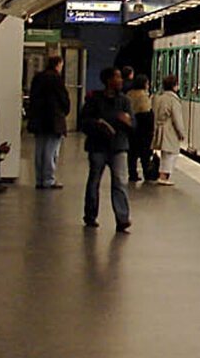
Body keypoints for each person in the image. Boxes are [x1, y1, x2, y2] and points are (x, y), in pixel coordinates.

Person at [79, 67, 133, 231]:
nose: (121, 80)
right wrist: (98, 124)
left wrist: (128, 122)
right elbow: (84, 122)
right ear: (108, 81)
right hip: (98, 145)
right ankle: (90, 215)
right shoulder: (94, 100)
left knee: (120, 182)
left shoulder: (125, 101)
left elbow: (133, 124)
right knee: (94, 180)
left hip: (119, 146)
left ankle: (122, 218)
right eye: (117, 77)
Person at [26, 53, 70, 188]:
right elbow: (63, 99)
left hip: (38, 119)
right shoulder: (56, 79)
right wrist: (65, 111)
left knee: (39, 150)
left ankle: (39, 179)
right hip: (54, 119)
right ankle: (48, 179)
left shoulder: (38, 78)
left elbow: (32, 97)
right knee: (51, 151)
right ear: (58, 64)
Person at [152, 74, 186, 185]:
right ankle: (163, 177)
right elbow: (177, 118)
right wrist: (181, 132)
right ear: (174, 86)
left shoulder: (159, 98)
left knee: (165, 154)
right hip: (169, 130)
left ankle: (163, 175)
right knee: (170, 153)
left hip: (160, 128)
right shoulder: (173, 100)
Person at [126, 75, 155, 183]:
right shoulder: (143, 96)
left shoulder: (129, 94)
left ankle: (132, 174)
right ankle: (147, 173)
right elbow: (146, 114)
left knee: (132, 154)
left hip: (131, 128)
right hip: (143, 130)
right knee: (145, 153)